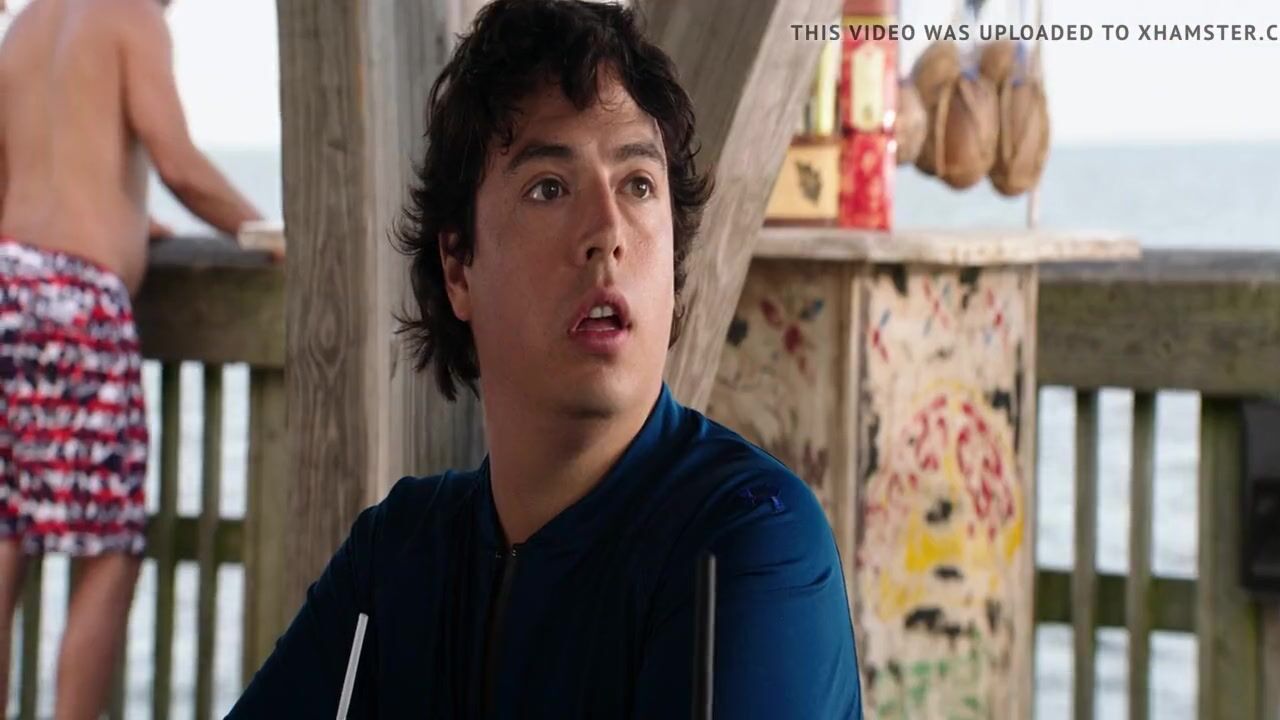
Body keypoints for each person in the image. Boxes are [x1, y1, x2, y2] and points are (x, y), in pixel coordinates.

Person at [231, 0, 860, 717]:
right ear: (458, 266)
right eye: (549, 188)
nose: (607, 232)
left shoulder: (750, 540)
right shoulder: (396, 558)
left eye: (638, 184)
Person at [0, 0, 263, 716]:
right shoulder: (131, 16)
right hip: (76, 304)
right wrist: (267, 230)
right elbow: (179, 162)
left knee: (6, 530)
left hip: (9, 289)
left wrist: (118, 213)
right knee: (111, 547)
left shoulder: (24, 26)